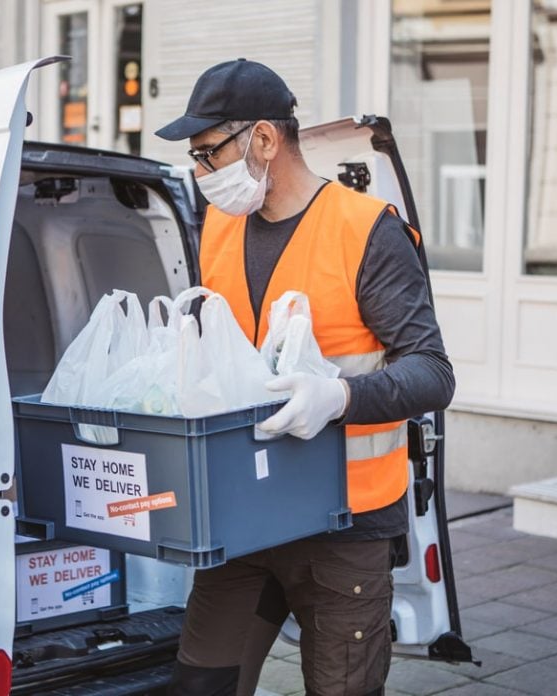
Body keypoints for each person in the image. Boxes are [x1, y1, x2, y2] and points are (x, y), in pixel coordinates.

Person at [154, 58, 456, 696]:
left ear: (263, 139)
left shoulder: (365, 230)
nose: (201, 173)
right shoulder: (220, 227)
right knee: (197, 685)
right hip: (245, 516)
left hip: (343, 527)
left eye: (209, 153)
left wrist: (338, 396)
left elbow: (433, 374)